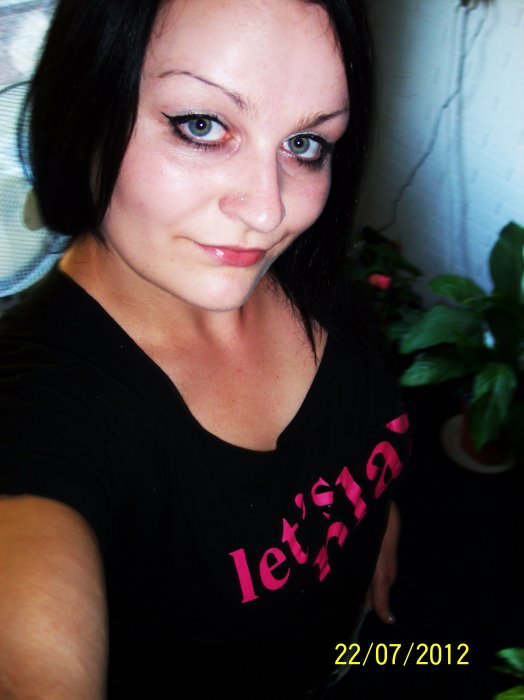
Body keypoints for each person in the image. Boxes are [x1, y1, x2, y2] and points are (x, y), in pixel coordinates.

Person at [0, 0, 410, 697]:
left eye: (305, 143)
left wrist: (366, 514)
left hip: (386, 655)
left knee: (450, 659)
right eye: (202, 125)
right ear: (86, 106)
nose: (269, 210)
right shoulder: (40, 411)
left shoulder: (293, 270)